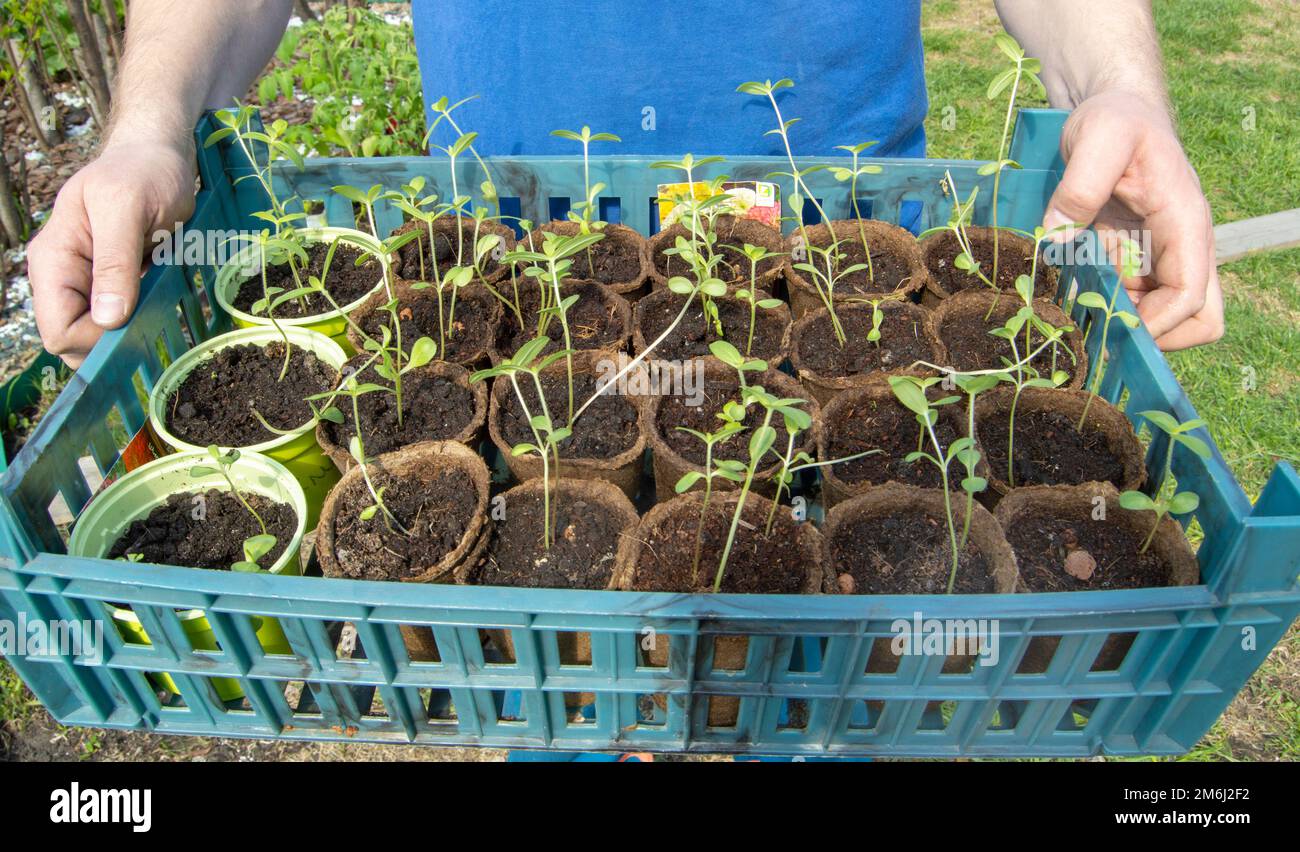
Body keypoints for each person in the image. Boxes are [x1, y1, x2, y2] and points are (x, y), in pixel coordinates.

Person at [28, 0, 1224, 367]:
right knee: (562, 659)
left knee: (836, 643)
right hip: (509, 279)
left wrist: (1117, 84)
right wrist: (149, 128)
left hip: (846, 254)